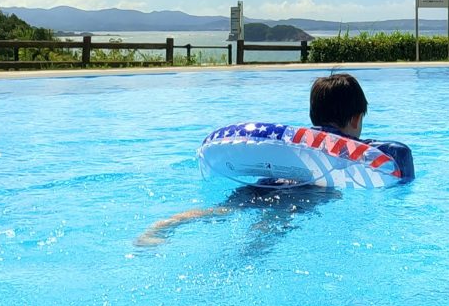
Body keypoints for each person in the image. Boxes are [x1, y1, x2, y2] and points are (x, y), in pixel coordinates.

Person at [134, 72, 412, 248]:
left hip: (269, 180)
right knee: (273, 224)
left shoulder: (298, 144)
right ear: (356, 117)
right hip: (308, 190)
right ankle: (244, 259)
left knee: (222, 209)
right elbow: (399, 165)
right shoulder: (365, 152)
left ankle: (161, 228)